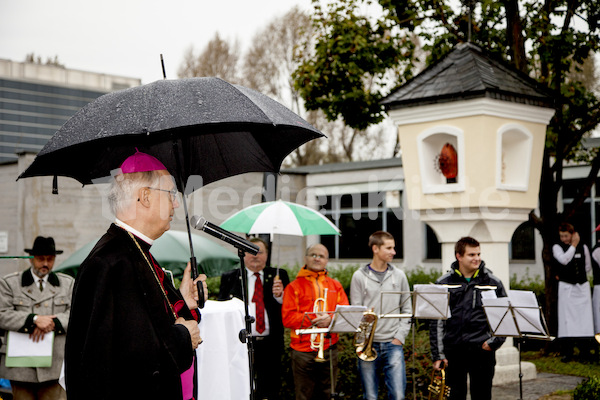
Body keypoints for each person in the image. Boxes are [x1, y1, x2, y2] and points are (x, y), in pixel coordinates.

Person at [64, 150, 206, 400]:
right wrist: (183, 337)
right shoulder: (108, 263)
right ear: (145, 196)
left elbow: (149, 325)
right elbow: (119, 356)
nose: (175, 203)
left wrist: (184, 300)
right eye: (171, 194)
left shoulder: (136, 252)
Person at [429, 236, 507, 400]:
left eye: (478, 254)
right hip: (453, 351)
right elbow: (436, 322)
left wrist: (494, 342)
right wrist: (438, 355)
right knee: (454, 397)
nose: (477, 258)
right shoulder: (443, 283)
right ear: (459, 256)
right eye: (471, 255)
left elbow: (503, 319)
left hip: (482, 350)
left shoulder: (493, 282)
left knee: (482, 395)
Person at [0, 236, 73, 400]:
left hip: (55, 366)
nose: (46, 264)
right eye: (41, 259)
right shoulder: (9, 283)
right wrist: (33, 320)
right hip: (21, 368)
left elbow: (77, 314)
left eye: (50, 259)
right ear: (32, 259)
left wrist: (53, 322)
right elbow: (1, 313)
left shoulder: (68, 284)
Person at [218, 237, 289, 400]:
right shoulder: (231, 277)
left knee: (270, 388)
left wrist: (280, 296)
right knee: (243, 386)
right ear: (242, 254)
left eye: (259, 252)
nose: (255, 255)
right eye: (250, 251)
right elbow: (223, 309)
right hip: (242, 344)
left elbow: (289, 306)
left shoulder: (278, 275)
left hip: (270, 344)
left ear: (267, 255)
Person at [282, 243, 349, 400]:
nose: (317, 258)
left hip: (329, 347)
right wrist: (315, 320)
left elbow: (345, 314)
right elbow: (287, 318)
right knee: (304, 395)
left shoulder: (335, 286)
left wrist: (330, 320)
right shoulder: (293, 287)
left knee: (328, 393)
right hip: (302, 350)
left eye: (321, 256)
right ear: (305, 258)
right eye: (313, 255)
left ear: (327, 260)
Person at [350, 231, 411, 400]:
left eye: (394, 248)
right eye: (389, 248)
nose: (394, 252)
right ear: (375, 248)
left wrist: (399, 337)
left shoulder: (399, 276)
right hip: (368, 344)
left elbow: (407, 309)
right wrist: (363, 341)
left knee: (398, 395)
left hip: (393, 343)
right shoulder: (359, 276)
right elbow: (356, 312)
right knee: (370, 396)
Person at [553, 223, 595, 361]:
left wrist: (577, 246)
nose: (564, 239)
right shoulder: (557, 247)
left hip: (581, 287)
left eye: (566, 236)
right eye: (562, 236)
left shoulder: (583, 247)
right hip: (567, 287)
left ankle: (585, 351)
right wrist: (573, 246)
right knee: (567, 320)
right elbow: (564, 260)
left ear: (572, 234)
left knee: (584, 319)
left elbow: (587, 266)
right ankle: (568, 352)